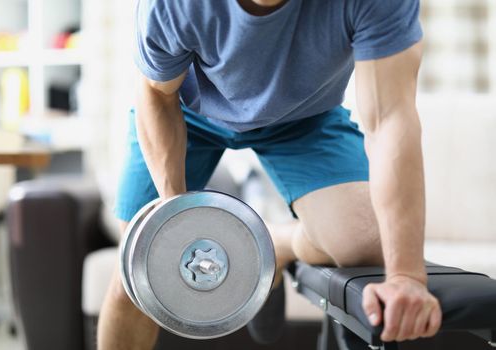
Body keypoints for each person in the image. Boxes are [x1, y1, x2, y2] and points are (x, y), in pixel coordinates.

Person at [98, 0, 443, 349]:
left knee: (366, 242)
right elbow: (157, 92)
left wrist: (406, 276)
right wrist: (175, 220)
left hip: (304, 115)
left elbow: (389, 121)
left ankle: (274, 245)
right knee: (139, 271)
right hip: (186, 110)